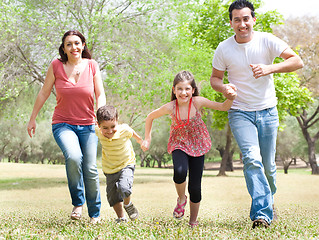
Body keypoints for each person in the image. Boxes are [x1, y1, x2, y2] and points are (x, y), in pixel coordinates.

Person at [210, 0, 304, 228]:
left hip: (268, 111)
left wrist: (269, 68)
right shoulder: (224, 48)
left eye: (245, 19)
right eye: (236, 20)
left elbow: (297, 61)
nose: (242, 24)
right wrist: (224, 88)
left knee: (269, 167)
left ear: (253, 19)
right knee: (252, 159)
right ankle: (261, 214)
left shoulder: (268, 40)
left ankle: (268, 202)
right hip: (240, 112)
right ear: (231, 23)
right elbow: (215, 79)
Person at [27, 30, 106, 224]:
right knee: (73, 157)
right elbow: (44, 92)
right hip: (63, 124)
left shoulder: (92, 65)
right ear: (63, 48)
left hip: (88, 125)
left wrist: (102, 116)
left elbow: (100, 94)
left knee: (90, 168)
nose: (74, 47)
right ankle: (78, 203)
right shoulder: (56, 66)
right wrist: (32, 118)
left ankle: (94, 213)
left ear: (83, 45)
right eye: (69, 44)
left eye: (77, 43)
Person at [141, 70, 236, 227]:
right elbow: (150, 117)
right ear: (174, 90)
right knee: (179, 172)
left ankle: (193, 221)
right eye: (179, 89)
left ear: (193, 90)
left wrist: (231, 97)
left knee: (195, 187)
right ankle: (181, 199)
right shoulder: (171, 107)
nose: (183, 93)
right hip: (179, 143)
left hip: (198, 144)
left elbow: (223, 107)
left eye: (187, 89)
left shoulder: (198, 102)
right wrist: (147, 138)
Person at [95, 105, 142, 222]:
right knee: (112, 196)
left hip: (126, 163)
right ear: (98, 125)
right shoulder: (97, 131)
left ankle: (128, 205)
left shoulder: (124, 130)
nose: (110, 131)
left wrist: (141, 141)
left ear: (117, 121)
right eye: (105, 128)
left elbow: (134, 134)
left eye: (113, 126)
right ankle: (121, 218)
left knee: (124, 188)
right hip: (109, 168)